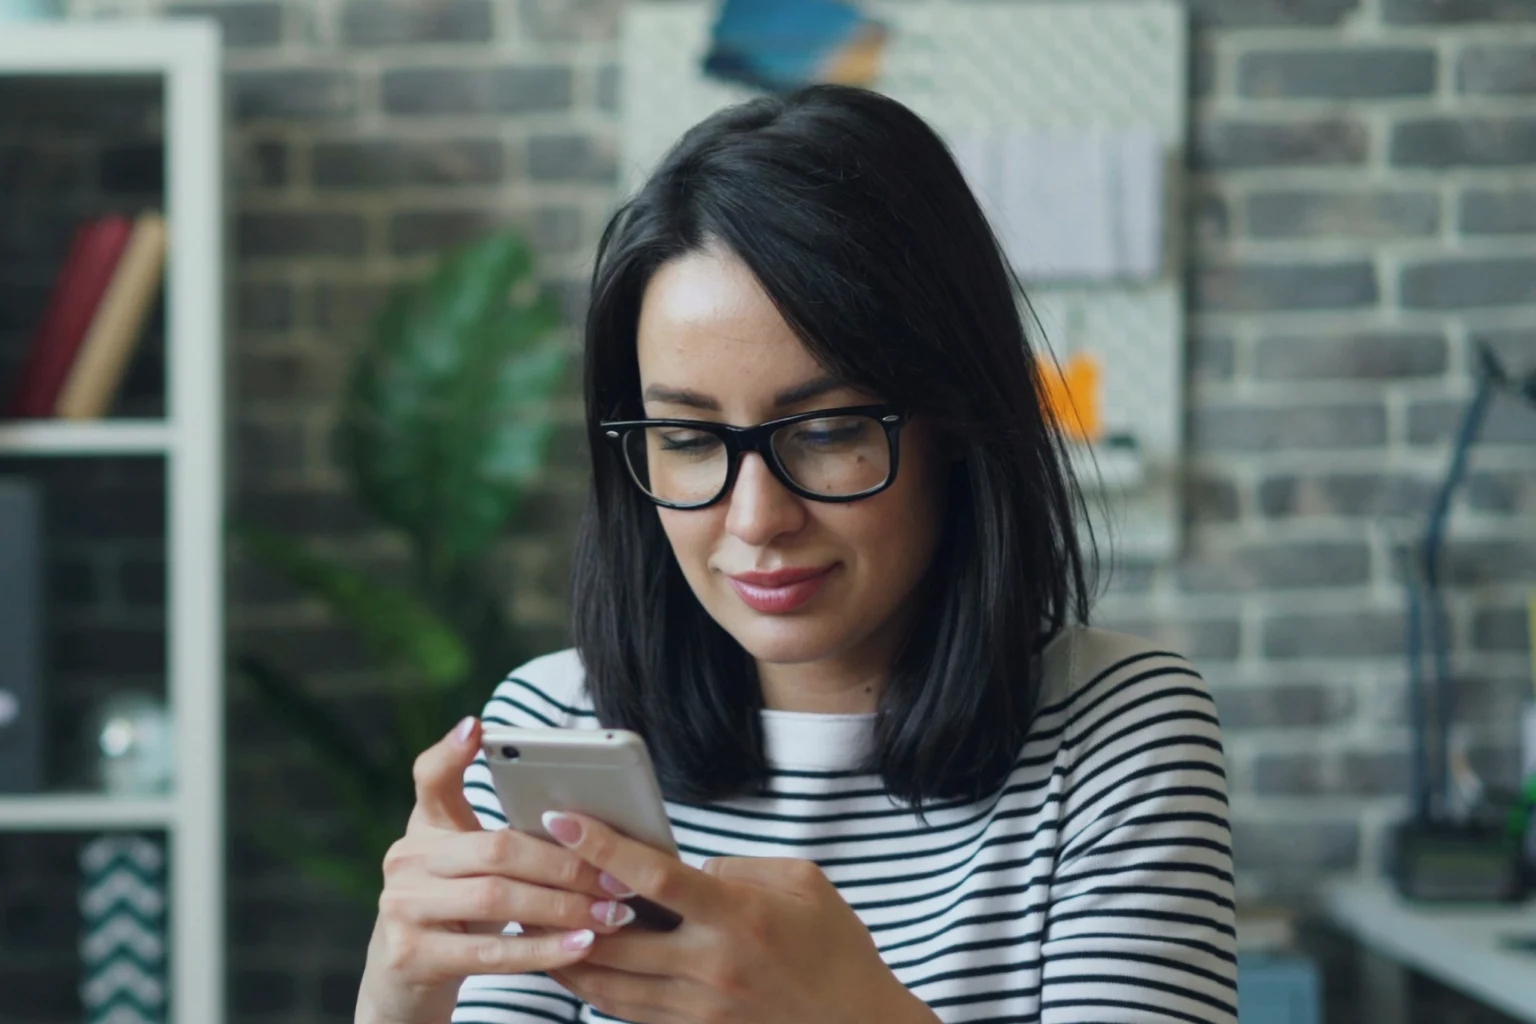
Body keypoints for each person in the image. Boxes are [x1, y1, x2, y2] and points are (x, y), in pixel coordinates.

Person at [355, 85, 1237, 1024]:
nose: (757, 518)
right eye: (688, 440)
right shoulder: (556, 724)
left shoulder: (1116, 733)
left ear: (956, 425)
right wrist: (399, 997)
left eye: (825, 430)